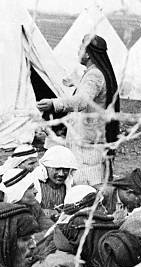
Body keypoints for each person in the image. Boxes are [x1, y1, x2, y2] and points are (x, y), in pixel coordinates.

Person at [37, 35, 120, 185]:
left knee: (84, 181)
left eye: (81, 48)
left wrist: (53, 104)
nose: (78, 52)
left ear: (88, 53)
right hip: (92, 137)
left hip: (86, 142)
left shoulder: (94, 75)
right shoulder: (95, 73)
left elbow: (82, 101)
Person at [34, 145, 78, 218]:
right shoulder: (35, 185)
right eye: (57, 169)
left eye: (65, 169)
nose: (61, 174)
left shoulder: (71, 186)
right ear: (46, 167)